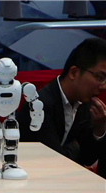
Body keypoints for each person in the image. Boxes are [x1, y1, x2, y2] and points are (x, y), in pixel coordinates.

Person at [18, 38, 106, 178]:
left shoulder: (85, 104)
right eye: (100, 77)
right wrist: (77, 145)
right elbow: (55, 162)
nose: (103, 86)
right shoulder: (39, 106)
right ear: (73, 73)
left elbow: (87, 159)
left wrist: (99, 129)